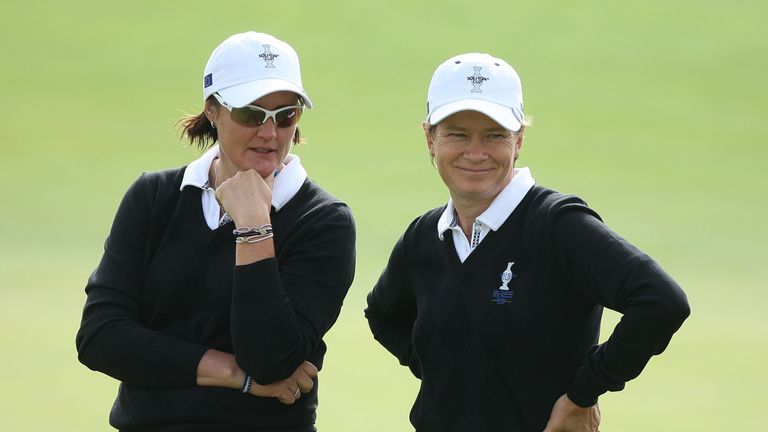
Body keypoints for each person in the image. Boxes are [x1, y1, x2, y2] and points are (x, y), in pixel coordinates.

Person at [365, 53, 690, 432]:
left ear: (518, 140)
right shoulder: (424, 236)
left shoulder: (557, 225)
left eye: (494, 135)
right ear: (429, 139)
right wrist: (443, 375)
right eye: (457, 133)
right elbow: (383, 315)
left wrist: (583, 394)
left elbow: (661, 302)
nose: (475, 152)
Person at [76, 31, 356, 431]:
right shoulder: (154, 197)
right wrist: (234, 375)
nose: (270, 132)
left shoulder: (322, 221)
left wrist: (254, 226)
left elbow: (271, 360)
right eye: (251, 114)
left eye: (286, 115)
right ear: (213, 110)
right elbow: (100, 338)